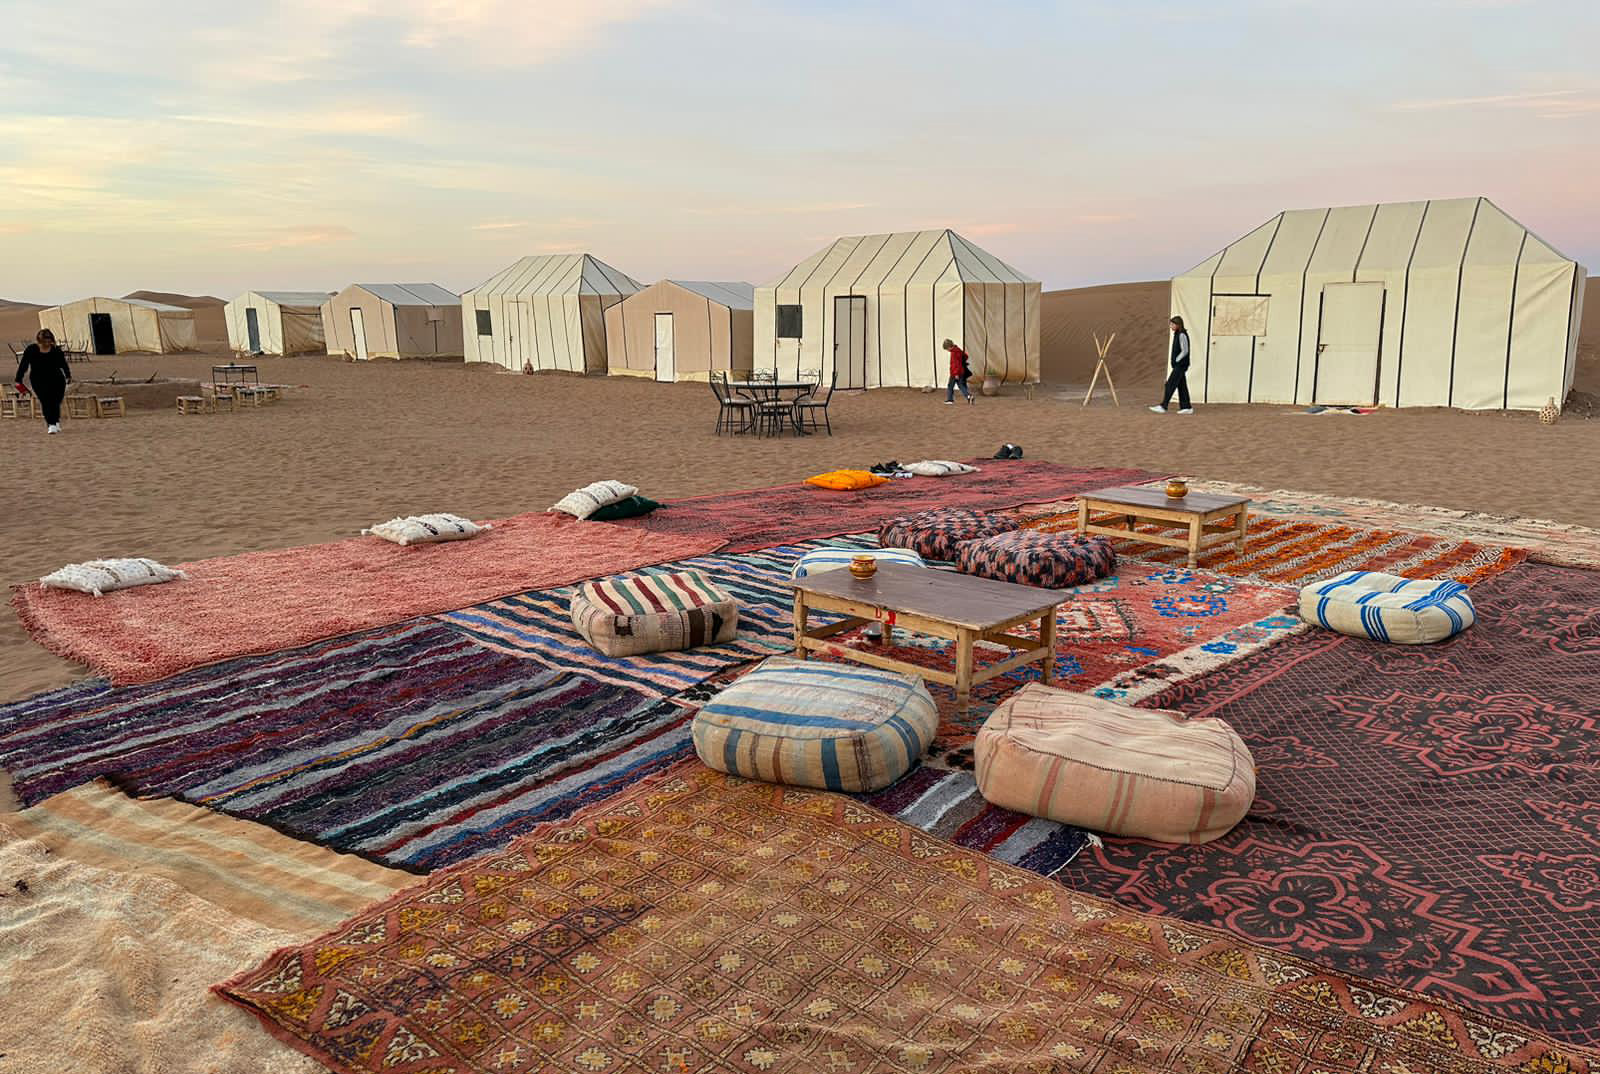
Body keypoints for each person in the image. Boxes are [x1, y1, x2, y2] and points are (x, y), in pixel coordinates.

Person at [14, 328, 71, 434]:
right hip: (38, 380)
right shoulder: (31, 350)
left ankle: (56, 421)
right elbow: (23, 365)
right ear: (39, 341)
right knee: (46, 401)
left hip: (57, 379)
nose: (47, 344)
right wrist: (18, 379)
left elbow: (63, 364)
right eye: (44, 342)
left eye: (49, 341)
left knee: (56, 401)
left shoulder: (56, 350)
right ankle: (51, 424)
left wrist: (68, 376)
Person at [1149, 316, 1194, 414]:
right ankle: (1187, 407)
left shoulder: (1182, 335)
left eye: (1172, 324)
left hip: (1181, 365)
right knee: (1182, 385)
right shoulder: (1177, 334)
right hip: (1179, 365)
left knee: (1170, 384)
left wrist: (1177, 360)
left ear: (1178, 325)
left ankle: (1163, 406)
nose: (1171, 326)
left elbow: (1185, 350)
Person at [943, 339, 974, 405]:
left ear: (949, 347)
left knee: (950, 386)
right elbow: (966, 356)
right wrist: (961, 361)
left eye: (946, 349)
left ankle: (950, 400)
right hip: (961, 371)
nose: (947, 350)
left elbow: (955, 364)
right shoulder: (958, 350)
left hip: (955, 373)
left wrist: (956, 374)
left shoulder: (953, 353)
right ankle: (969, 396)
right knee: (961, 385)